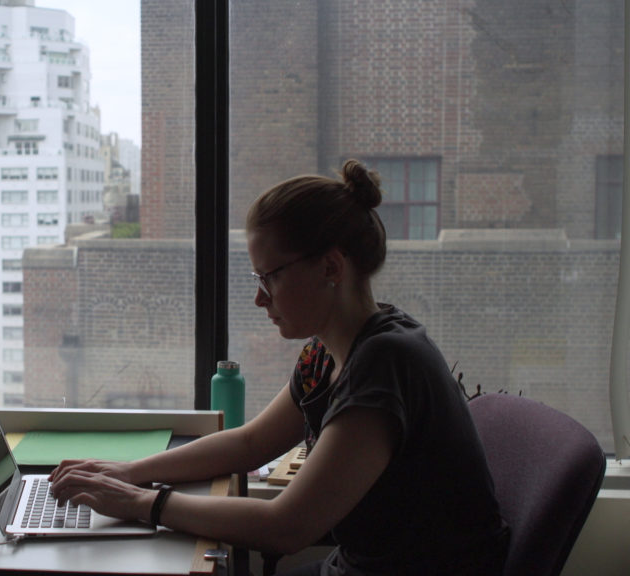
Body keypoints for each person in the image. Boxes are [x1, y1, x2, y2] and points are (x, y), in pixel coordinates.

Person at [50, 159, 510, 575]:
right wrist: (129, 472)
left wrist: (140, 502)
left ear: (331, 267)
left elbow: (286, 527)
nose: (259, 298)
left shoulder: (385, 364)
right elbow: (252, 442)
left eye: (270, 277)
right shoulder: (327, 352)